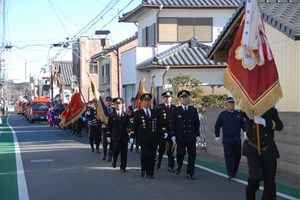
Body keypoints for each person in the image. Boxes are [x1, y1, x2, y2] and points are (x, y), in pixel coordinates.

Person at [242, 108, 283, 200]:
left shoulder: (272, 111)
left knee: (270, 181)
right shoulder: (249, 108)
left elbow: (280, 126)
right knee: (255, 177)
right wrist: (251, 110)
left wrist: (264, 122)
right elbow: (243, 112)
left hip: (268, 149)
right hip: (253, 150)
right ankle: (250, 194)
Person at [170, 90, 200, 180]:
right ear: (180, 100)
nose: (185, 100)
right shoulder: (176, 110)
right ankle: (179, 165)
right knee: (180, 154)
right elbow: (172, 124)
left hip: (191, 136)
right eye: (183, 98)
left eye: (186, 98)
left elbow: (196, 123)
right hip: (181, 137)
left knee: (192, 155)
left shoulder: (193, 110)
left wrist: (198, 135)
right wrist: (173, 135)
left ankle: (190, 173)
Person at [214, 97, 246, 179]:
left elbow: (243, 125)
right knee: (229, 156)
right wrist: (217, 135)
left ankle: (234, 172)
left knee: (237, 156)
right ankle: (230, 173)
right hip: (227, 139)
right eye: (230, 103)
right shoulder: (222, 115)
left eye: (233, 103)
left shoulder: (238, 114)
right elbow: (217, 126)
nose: (232, 105)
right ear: (226, 105)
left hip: (236, 138)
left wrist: (245, 132)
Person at [131, 93, 158, 178]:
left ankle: (150, 172)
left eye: (148, 101)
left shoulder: (155, 112)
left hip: (153, 138)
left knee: (152, 156)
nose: (147, 102)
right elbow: (134, 126)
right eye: (145, 101)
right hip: (143, 138)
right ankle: (144, 168)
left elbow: (159, 125)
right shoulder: (138, 113)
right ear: (141, 102)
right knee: (145, 154)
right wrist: (132, 136)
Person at [106, 98, 131, 172]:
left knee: (124, 152)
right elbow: (109, 126)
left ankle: (123, 167)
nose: (118, 105)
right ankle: (114, 159)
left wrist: (130, 133)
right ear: (114, 105)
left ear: (122, 104)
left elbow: (128, 125)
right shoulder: (111, 115)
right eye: (116, 104)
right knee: (116, 149)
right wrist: (108, 136)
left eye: (119, 104)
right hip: (115, 136)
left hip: (124, 136)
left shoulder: (125, 114)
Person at [156, 91, 176, 172]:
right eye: (166, 97)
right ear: (163, 98)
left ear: (171, 98)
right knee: (162, 148)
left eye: (169, 97)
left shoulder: (174, 108)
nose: (167, 99)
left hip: (172, 132)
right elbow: (158, 121)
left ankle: (171, 166)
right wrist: (162, 130)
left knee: (171, 150)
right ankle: (159, 160)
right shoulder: (159, 107)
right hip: (162, 132)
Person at [102, 96, 114, 161]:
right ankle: (104, 154)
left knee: (112, 143)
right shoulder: (103, 109)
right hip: (105, 129)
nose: (108, 102)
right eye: (107, 101)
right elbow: (99, 118)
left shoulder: (114, 109)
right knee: (105, 143)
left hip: (112, 129)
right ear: (105, 102)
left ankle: (110, 155)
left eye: (110, 101)